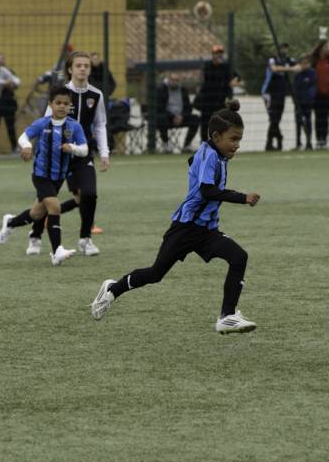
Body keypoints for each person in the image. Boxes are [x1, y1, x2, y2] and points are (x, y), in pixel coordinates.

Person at [90, 100, 261, 334]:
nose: (237, 145)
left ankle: (227, 316)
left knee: (239, 256)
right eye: (233, 139)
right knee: (155, 274)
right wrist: (243, 198)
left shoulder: (214, 154)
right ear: (216, 136)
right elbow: (207, 191)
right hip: (185, 228)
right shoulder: (210, 155)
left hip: (206, 231)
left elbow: (193, 164)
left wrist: (194, 167)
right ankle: (113, 289)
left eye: (239, 139)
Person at [27, 51, 110, 257]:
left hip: (82, 154)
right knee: (46, 200)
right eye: (78, 65)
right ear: (70, 69)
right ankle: (35, 235)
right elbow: (45, 122)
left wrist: (104, 152)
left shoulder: (96, 95)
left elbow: (100, 125)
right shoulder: (61, 95)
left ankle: (85, 239)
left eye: (86, 66)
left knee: (89, 194)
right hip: (57, 156)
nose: (83, 69)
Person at [0, 86, 88, 266]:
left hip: (58, 177)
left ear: (70, 106)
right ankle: (57, 251)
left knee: (36, 213)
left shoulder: (74, 126)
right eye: (58, 103)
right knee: (54, 206)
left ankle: (11, 222)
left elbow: (84, 149)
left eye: (66, 103)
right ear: (51, 104)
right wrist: (27, 146)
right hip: (41, 175)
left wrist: (73, 148)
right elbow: (23, 137)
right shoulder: (42, 123)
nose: (62, 106)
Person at [194, 44, 241, 143]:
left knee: (222, 123)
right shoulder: (207, 65)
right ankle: (204, 143)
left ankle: (219, 143)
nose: (219, 55)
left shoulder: (226, 66)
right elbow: (207, 77)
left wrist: (234, 81)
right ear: (212, 54)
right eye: (216, 53)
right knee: (205, 123)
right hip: (207, 99)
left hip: (221, 100)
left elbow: (237, 76)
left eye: (220, 53)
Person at [261, 43, 296, 151]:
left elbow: (297, 65)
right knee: (273, 117)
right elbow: (274, 69)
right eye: (282, 48)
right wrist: (289, 69)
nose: (284, 51)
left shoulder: (288, 60)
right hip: (269, 93)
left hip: (281, 93)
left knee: (277, 118)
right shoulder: (272, 60)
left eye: (286, 48)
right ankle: (277, 139)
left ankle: (270, 143)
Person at [156, 72, 200, 153]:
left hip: (181, 118)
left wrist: (182, 116)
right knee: (161, 118)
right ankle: (166, 144)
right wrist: (173, 116)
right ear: (168, 80)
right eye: (172, 80)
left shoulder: (183, 90)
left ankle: (187, 145)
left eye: (176, 80)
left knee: (195, 118)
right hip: (168, 118)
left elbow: (188, 107)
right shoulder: (161, 89)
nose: (174, 82)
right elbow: (160, 108)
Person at [311, 40, 329, 149]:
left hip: (328, 93)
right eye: (326, 47)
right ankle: (319, 139)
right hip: (316, 93)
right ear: (320, 48)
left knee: (325, 117)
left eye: (328, 47)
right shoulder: (314, 59)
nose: (327, 49)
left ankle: (324, 139)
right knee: (318, 117)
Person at [0, 67, 20, 154]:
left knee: (11, 128)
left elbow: (16, 83)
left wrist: (9, 84)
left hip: (9, 105)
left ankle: (14, 147)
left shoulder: (8, 72)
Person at [292, 55, 317, 150]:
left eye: (306, 63)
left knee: (308, 121)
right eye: (302, 63)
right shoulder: (297, 74)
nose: (304, 65)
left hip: (308, 102)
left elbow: (313, 86)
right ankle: (298, 142)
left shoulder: (312, 73)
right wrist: (295, 100)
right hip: (298, 102)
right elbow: (295, 88)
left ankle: (309, 142)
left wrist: (310, 98)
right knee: (298, 122)